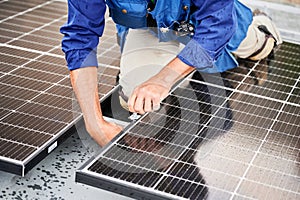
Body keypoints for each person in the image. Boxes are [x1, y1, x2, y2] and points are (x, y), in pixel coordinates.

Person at [60, 0, 282, 147]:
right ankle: (181, 63)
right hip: (152, 29)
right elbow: (80, 37)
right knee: (132, 90)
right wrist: (93, 122)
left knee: (257, 46)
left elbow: (217, 28)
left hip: (210, 20)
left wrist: (162, 80)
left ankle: (261, 26)